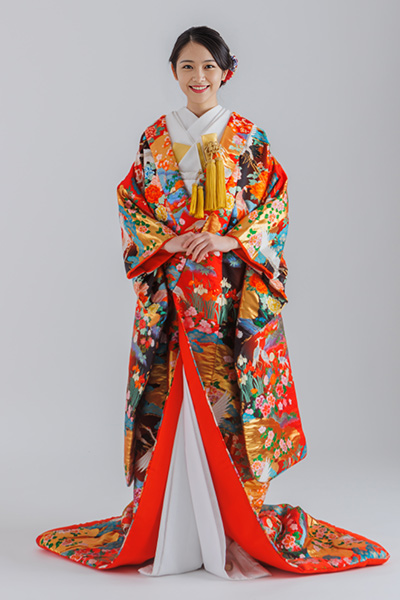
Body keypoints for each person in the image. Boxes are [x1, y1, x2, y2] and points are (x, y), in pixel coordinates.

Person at [36, 26, 389, 579]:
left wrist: (230, 240)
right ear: (173, 72)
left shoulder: (248, 139)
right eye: (187, 67)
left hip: (229, 293)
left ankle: (231, 522)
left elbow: (274, 205)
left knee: (228, 403)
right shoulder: (155, 138)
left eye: (208, 67)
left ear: (226, 71)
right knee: (171, 398)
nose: (198, 77)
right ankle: (172, 524)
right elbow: (131, 202)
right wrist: (169, 241)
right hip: (173, 290)